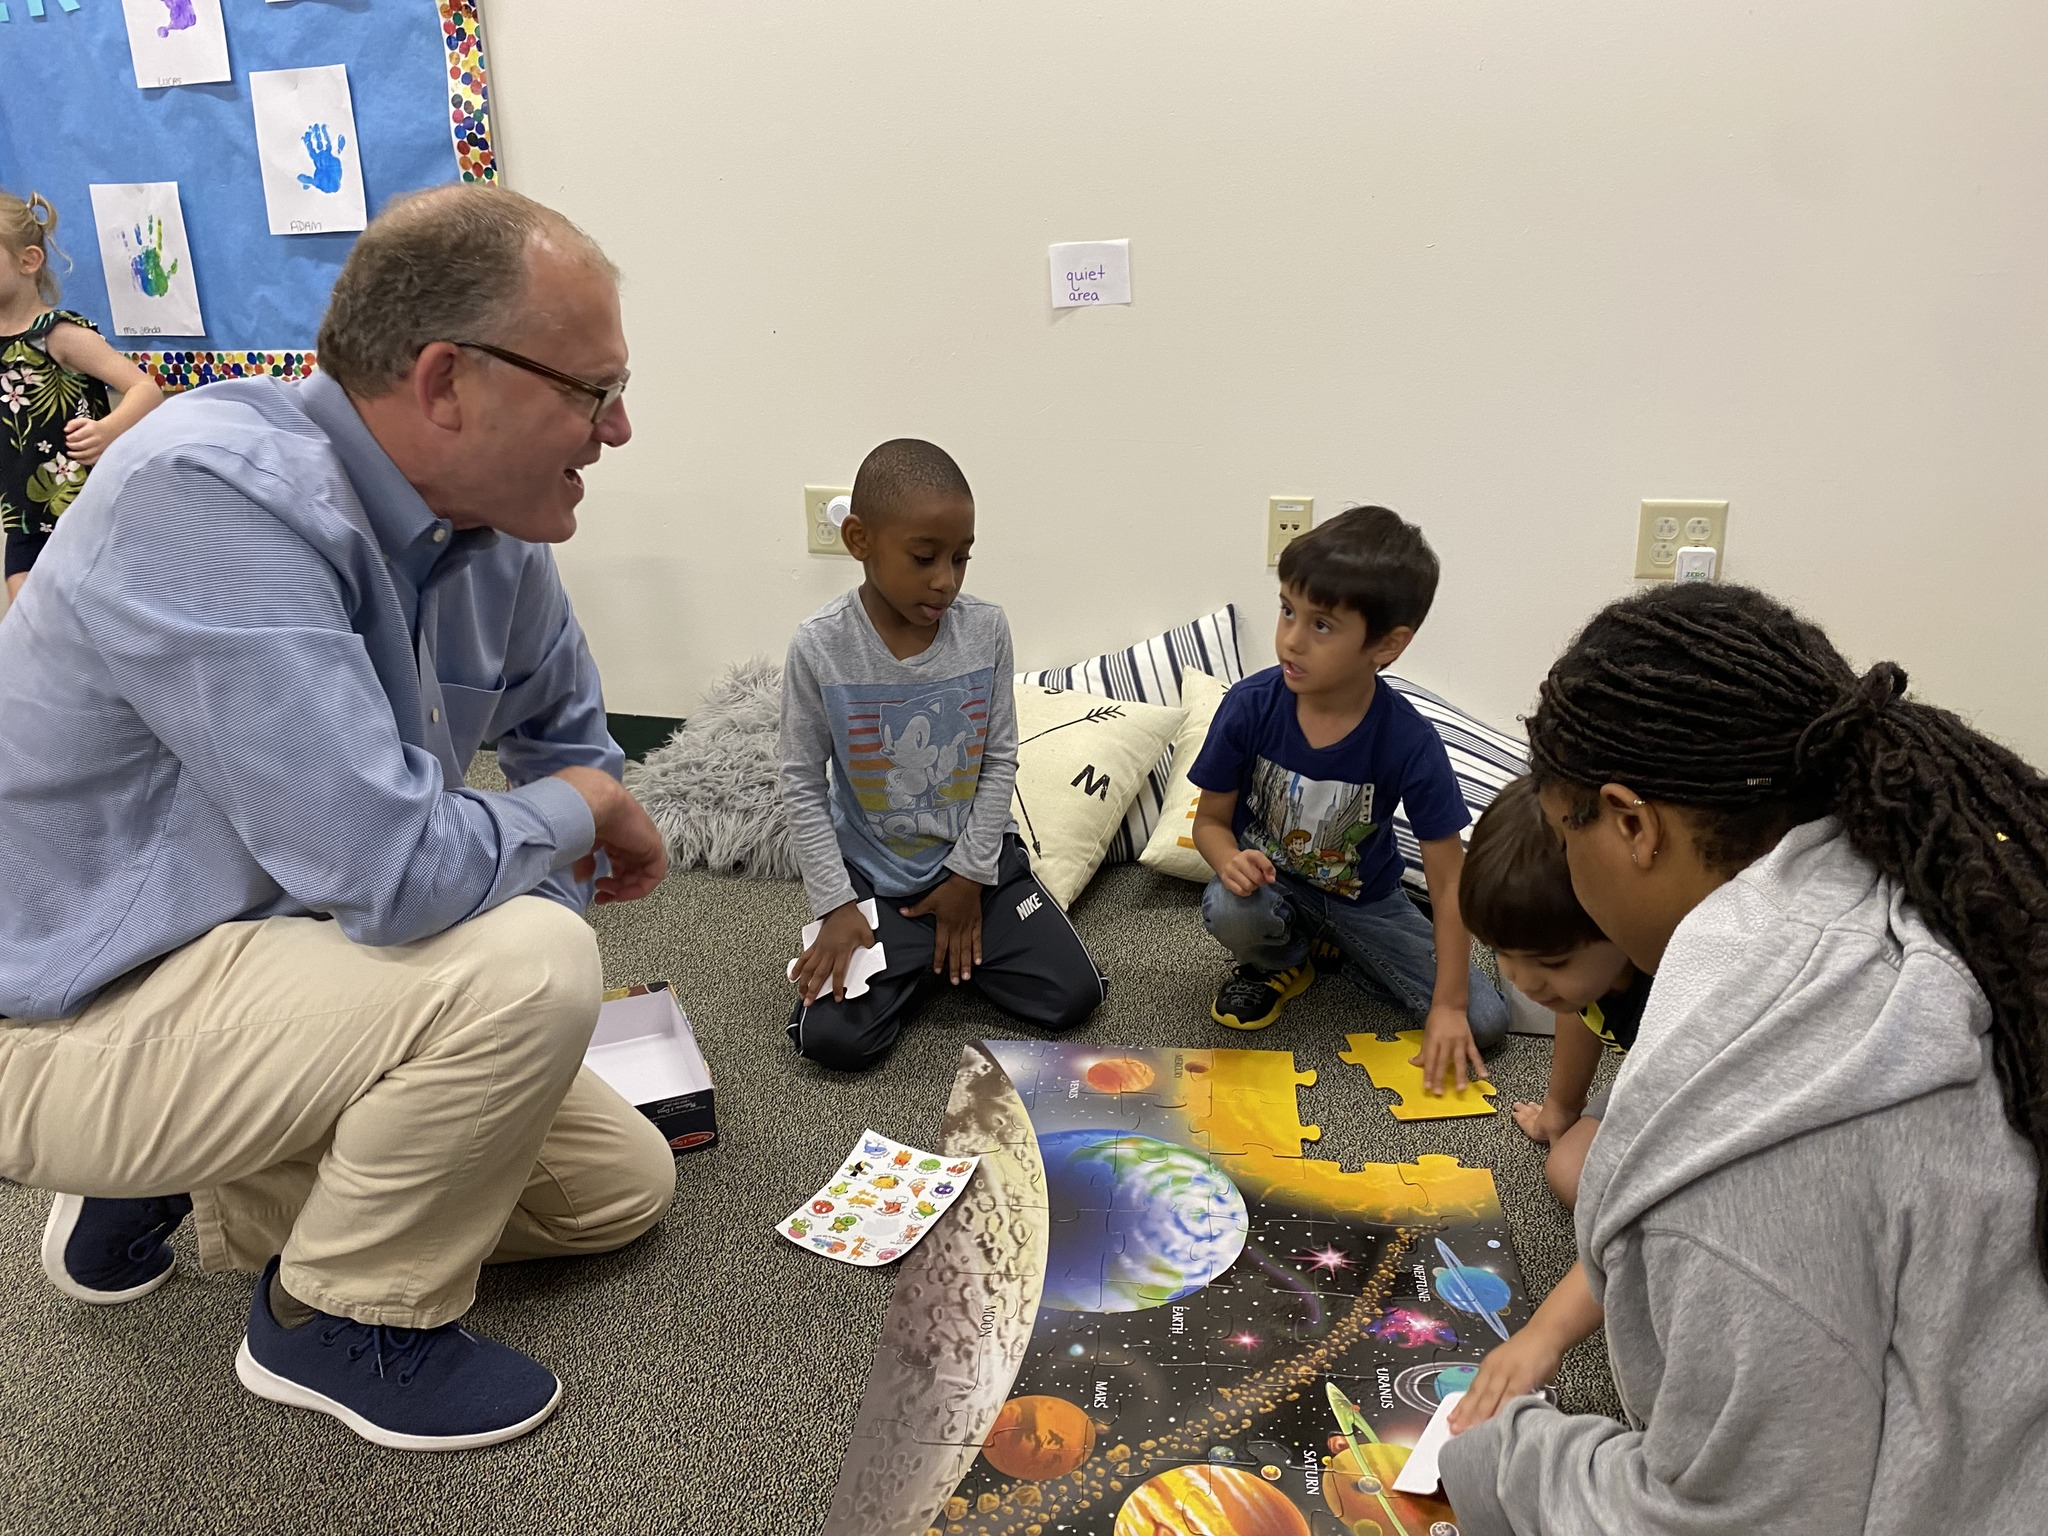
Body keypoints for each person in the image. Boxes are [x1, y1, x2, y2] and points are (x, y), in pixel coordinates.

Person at [0, 185, 677, 1451]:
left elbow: (571, 745)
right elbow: (407, 868)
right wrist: (576, 816)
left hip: (260, 960)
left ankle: (174, 1185)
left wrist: (569, 807)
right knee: (528, 971)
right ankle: (335, 1323)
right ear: (442, 384)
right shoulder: (206, 494)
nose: (619, 429)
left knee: (615, 1190)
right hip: (61, 1011)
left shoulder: (497, 540)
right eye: (594, 391)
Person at [1440, 582, 2048, 1533]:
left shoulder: (1741, 1119)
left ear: (1632, 824)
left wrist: (1496, 1459)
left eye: (1568, 832)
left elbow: (1741, 1522)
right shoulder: (1951, 867)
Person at [780, 438, 1104, 1071]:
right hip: (875, 879)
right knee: (834, 1043)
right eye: (925, 557)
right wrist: (836, 906)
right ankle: (924, 957)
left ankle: (929, 956)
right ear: (859, 540)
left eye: (961, 558)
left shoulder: (986, 629)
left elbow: (1000, 758)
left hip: (980, 874)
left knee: (1073, 995)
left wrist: (968, 878)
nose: (946, 581)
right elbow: (799, 783)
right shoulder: (819, 647)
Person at [1186, 505, 1508, 1089]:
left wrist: (1450, 1006)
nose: (1291, 639)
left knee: (1484, 1022)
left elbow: (1448, 880)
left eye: (1322, 625)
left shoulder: (1408, 738)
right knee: (1230, 907)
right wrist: (1228, 859)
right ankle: (1282, 960)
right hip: (1271, 887)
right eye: (1287, 610)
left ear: (1387, 645)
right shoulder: (1249, 705)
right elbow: (1209, 822)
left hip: (1368, 900)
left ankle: (1336, 948)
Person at [1463, 774, 1646, 1209]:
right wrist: (1560, 1108)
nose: (1524, 983)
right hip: (1646, 1085)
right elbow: (1581, 1011)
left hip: (1699, 1107)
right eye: (1501, 953)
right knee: (1566, 1168)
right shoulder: (1589, 980)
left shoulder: (1671, 1000)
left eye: (1551, 963)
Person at [0, 189, 162, 599]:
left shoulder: (57, 334)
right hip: (24, 516)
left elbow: (145, 389)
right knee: (28, 624)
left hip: (83, 508)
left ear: (28, 261)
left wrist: (108, 430)